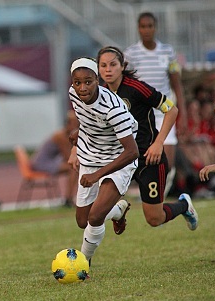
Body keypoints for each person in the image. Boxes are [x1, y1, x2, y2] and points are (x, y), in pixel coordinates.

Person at [97, 46, 198, 230]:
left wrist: (158, 143)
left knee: (154, 219)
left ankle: (184, 205)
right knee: (99, 206)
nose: (108, 69)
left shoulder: (136, 88)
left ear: (122, 66)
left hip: (149, 159)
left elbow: (172, 109)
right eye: (103, 65)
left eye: (113, 64)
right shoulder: (101, 95)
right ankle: (118, 213)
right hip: (124, 160)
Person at [67, 57, 139, 264]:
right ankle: (118, 210)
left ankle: (83, 264)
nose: (82, 88)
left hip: (119, 159)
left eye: (88, 82)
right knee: (82, 221)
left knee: (95, 217)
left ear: (97, 80)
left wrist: (97, 175)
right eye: (77, 82)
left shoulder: (114, 108)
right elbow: (87, 118)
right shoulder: (73, 94)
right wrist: (78, 132)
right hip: (90, 157)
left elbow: (132, 152)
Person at [124, 12, 187, 196]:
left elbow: (177, 84)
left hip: (165, 112)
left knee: (168, 160)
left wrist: (182, 114)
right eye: (143, 26)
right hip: (141, 114)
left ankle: (160, 198)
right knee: (140, 157)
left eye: (150, 26)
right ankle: (144, 195)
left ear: (155, 27)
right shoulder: (131, 53)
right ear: (138, 28)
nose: (146, 30)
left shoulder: (167, 52)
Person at [31, 110, 79, 207]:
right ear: (68, 124)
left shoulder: (63, 135)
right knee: (73, 168)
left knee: (75, 168)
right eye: (75, 124)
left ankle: (69, 198)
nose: (77, 127)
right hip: (42, 163)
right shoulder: (60, 136)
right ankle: (68, 199)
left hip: (49, 161)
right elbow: (67, 156)